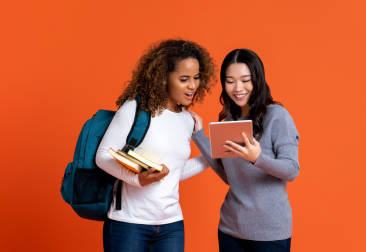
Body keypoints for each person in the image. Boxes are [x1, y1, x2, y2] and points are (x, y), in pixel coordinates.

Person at [95, 39, 215, 252]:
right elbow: (103, 156)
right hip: (129, 224)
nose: (193, 85)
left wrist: (213, 153)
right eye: (184, 79)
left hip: (172, 225)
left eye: (197, 78)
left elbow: (175, 171)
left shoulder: (188, 121)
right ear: (163, 78)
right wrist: (137, 179)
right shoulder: (135, 109)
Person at [190, 48, 300, 252]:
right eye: (230, 81)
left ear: (257, 80)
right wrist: (199, 136)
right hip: (230, 229)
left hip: (270, 233)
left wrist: (257, 158)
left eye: (245, 80)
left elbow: (291, 169)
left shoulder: (277, 116)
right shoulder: (231, 119)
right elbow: (230, 177)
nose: (237, 88)